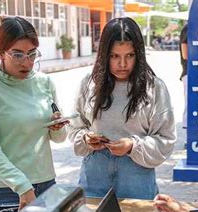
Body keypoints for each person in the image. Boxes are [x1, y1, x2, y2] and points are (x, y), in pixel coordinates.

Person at [0, 17, 69, 212]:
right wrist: (23, 186)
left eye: (32, 53)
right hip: (6, 192)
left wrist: (58, 127)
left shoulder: (43, 82)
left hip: (46, 185)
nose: (27, 62)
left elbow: (59, 139)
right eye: (17, 54)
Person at [68, 17, 176, 200]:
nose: (123, 64)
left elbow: (166, 139)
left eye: (130, 55)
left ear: (139, 54)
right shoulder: (89, 84)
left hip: (137, 180)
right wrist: (86, 138)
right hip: (94, 178)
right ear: (104, 54)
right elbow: (74, 127)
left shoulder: (155, 87)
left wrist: (133, 145)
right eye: (114, 56)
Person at [179, 23, 188, 130]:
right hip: (190, 72)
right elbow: (185, 54)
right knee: (190, 104)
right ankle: (187, 137)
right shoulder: (190, 26)